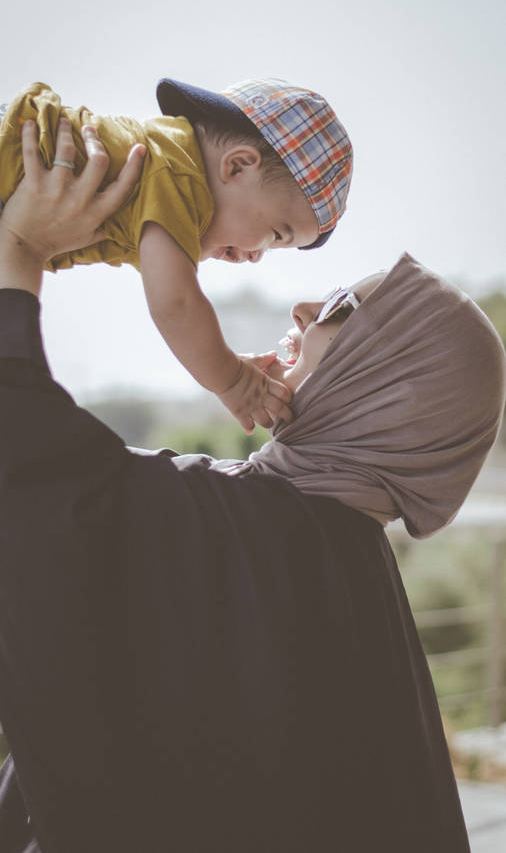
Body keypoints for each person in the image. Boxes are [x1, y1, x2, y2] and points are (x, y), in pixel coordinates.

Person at [0, 121, 504, 853]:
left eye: (338, 311)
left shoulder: (244, 531)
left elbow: (32, 467)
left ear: (389, 390)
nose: (300, 309)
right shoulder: (348, 566)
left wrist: (20, 252)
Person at [0, 77, 353, 434]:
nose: (256, 257)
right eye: (275, 235)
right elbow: (176, 305)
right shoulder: (178, 178)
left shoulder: (161, 180)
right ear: (237, 166)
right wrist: (232, 380)